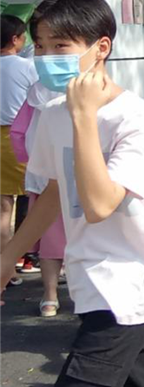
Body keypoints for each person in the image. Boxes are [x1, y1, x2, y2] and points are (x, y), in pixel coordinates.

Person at [0, 0, 144, 387]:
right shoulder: (52, 115)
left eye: (61, 46)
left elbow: (98, 205)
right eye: (41, 46)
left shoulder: (137, 119)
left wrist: (83, 117)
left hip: (129, 285)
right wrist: (8, 256)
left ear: (101, 48)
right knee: (143, 382)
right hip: (86, 278)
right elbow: (55, 191)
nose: (47, 57)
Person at [13, 81, 67, 317]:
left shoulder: (36, 92)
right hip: (80, 175)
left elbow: (18, 133)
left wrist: (29, 164)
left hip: (43, 175)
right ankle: (86, 297)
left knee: (50, 240)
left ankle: (50, 297)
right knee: (85, 237)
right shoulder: (88, 88)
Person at [0, 14, 36, 289]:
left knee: (3, 208)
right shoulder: (26, 67)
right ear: (15, 39)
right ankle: (27, 256)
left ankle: (6, 267)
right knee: (32, 198)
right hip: (19, 136)